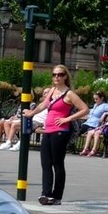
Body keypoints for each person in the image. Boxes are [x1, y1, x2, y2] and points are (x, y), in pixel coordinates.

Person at [23, 65, 89, 206]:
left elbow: (84, 109)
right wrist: (31, 113)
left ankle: (57, 196)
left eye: (59, 74)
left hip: (61, 131)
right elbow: (43, 105)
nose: (56, 77)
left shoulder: (69, 94)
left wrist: (67, 119)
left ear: (65, 76)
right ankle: (46, 194)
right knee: (45, 163)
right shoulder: (52, 91)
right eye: (54, 75)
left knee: (57, 163)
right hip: (48, 130)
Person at [9, 88, 50, 152]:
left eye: (46, 93)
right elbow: (35, 112)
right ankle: (11, 142)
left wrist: (44, 126)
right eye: (44, 93)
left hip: (38, 122)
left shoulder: (51, 104)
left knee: (23, 126)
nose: (44, 94)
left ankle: (19, 144)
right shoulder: (42, 104)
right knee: (19, 125)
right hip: (33, 120)